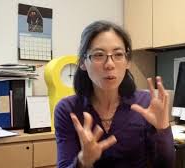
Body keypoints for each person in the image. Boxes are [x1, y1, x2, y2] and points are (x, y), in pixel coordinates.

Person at [54, 20, 175, 168]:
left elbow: (166, 165)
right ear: (83, 62)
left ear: (127, 61)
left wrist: (163, 128)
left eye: (118, 54)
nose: (110, 64)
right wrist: (82, 161)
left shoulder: (145, 104)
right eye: (99, 55)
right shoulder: (68, 109)